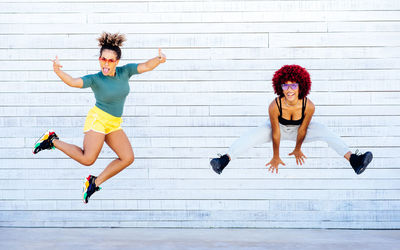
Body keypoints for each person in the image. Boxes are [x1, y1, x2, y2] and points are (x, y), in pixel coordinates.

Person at [33, 32, 167, 203]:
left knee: (127, 158)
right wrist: (58, 71)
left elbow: (146, 66)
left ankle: (94, 183)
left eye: (110, 60)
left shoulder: (125, 71)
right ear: (99, 59)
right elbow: (74, 82)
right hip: (98, 119)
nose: (106, 63)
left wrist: (159, 59)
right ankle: (52, 140)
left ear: (116, 62)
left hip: (114, 123)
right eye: (103, 59)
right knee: (87, 159)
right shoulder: (95, 79)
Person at [210, 65, 373, 175]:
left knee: (324, 131)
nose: (289, 90)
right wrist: (276, 156)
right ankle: (223, 160)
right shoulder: (275, 106)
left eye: (293, 85)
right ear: (279, 87)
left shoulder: (309, 106)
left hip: (299, 130)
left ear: (301, 86)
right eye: (285, 86)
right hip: (278, 129)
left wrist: (297, 148)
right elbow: (275, 133)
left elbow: (302, 130)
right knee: (252, 135)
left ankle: (354, 160)